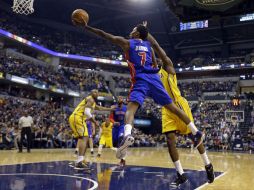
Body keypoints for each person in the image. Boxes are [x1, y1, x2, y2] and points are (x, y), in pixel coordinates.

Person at [72, 19, 203, 163]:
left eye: (133, 30)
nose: (130, 32)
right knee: (172, 107)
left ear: (136, 34)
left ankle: (127, 134)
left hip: (141, 79)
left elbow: (105, 35)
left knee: (131, 108)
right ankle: (196, 132)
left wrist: (87, 27)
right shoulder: (148, 46)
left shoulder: (128, 43)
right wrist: (144, 30)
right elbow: (154, 59)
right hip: (154, 78)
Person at [146, 25, 214, 187]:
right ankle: (181, 174)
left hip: (178, 105)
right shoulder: (152, 75)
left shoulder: (168, 67)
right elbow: (151, 57)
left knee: (193, 137)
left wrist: (146, 35)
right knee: (170, 140)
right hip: (166, 109)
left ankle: (208, 164)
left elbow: (156, 48)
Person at [69, 89, 113, 170]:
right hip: (78, 117)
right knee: (84, 138)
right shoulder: (90, 99)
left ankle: (80, 160)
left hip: (78, 118)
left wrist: (110, 109)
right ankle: (79, 161)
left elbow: (100, 108)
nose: (96, 93)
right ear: (91, 93)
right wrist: (95, 122)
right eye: (94, 92)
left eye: (97, 92)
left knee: (84, 138)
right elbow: (86, 112)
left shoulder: (93, 102)